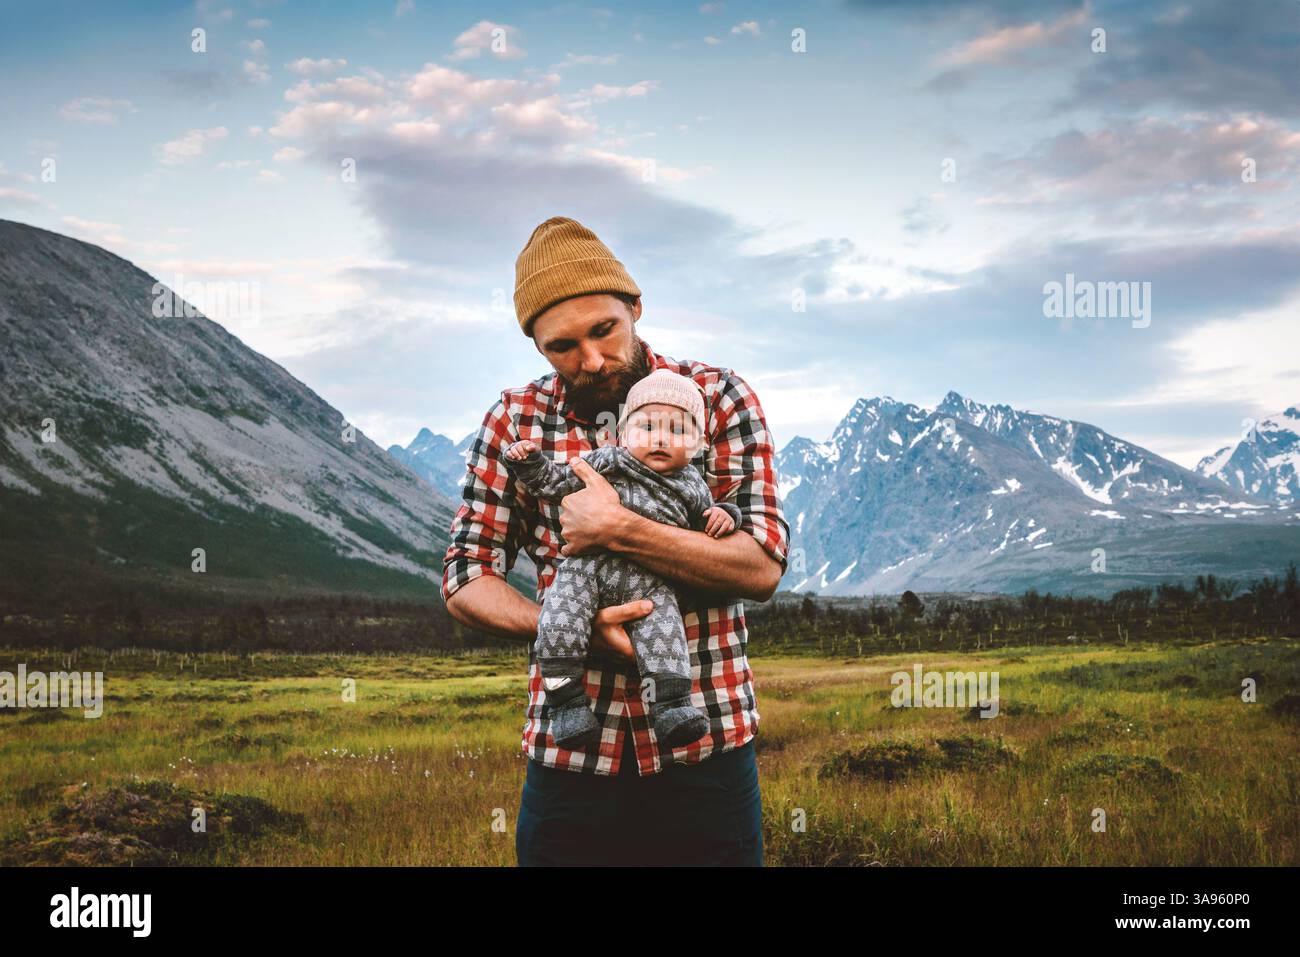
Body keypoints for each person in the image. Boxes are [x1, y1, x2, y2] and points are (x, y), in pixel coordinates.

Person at [440, 216, 789, 866]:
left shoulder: (719, 399)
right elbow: (466, 579)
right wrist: (565, 625)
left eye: (604, 330)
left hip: (706, 752)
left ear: (635, 305)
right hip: (571, 763)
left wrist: (620, 529)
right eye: (562, 346)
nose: (592, 360)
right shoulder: (514, 421)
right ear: (537, 346)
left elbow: (761, 565)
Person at [503, 368, 744, 752]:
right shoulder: (606, 461)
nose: (661, 438)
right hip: (586, 571)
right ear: (624, 434)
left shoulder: (692, 484)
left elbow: (706, 528)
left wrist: (727, 514)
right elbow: (557, 484)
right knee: (560, 620)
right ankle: (567, 706)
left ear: (698, 444)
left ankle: (672, 707)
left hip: (650, 583)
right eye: (647, 427)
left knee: (664, 632)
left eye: (678, 431)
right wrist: (531, 464)